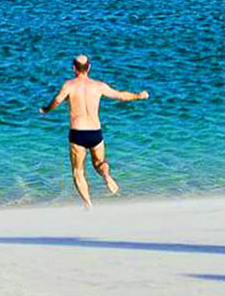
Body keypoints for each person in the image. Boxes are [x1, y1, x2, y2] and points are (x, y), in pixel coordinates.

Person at [40, 54, 149, 208]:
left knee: (78, 171)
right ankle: (106, 175)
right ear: (89, 68)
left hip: (78, 133)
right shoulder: (98, 86)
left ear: (73, 68)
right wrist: (138, 96)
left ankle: (88, 204)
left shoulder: (69, 85)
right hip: (95, 132)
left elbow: (57, 100)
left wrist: (46, 109)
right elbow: (120, 96)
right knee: (99, 163)